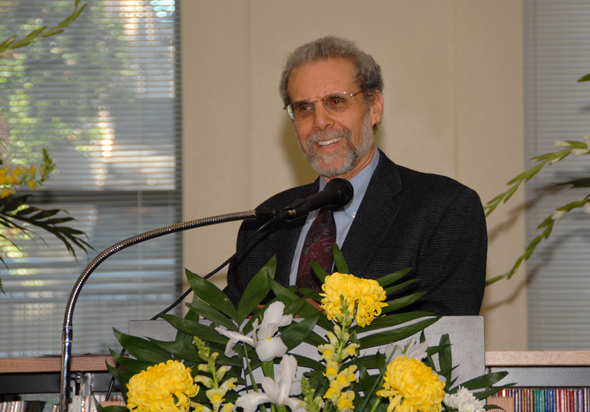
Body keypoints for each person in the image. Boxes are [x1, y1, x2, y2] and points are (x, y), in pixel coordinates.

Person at [224, 36, 487, 316]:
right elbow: (228, 326)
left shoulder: (445, 209)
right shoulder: (266, 224)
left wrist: (320, 322)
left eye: (335, 101)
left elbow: (448, 335)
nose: (320, 122)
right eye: (304, 108)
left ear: (374, 107)